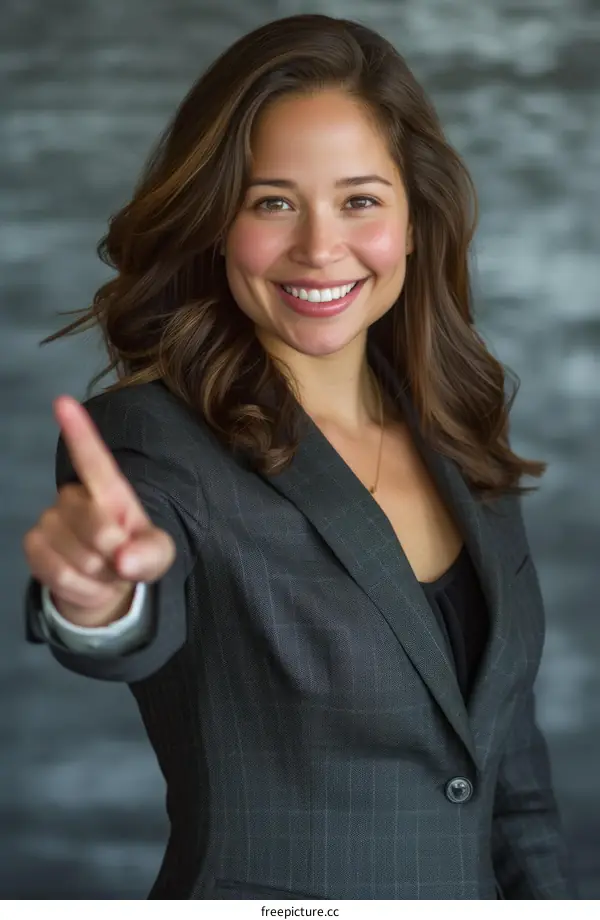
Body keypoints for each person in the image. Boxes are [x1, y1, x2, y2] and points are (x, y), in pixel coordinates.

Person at [22, 13, 577, 901]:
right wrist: (99, 596)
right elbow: (128, 620)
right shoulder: (152, 440)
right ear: (215, 222)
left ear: (412, 217)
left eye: (360, 200)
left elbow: (510, 774)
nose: (320, 248)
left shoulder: (459, 435)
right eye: (271, 201)